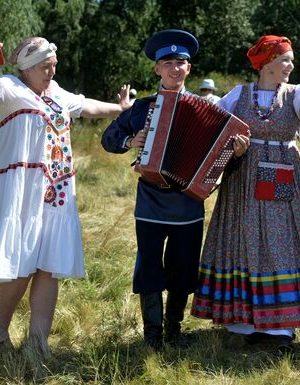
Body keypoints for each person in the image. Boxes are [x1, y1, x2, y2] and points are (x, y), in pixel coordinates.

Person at [190, 35, 300, 351]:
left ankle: (280, 326)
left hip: (280, 172)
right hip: (243, 176)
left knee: (278, 240)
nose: (290, 66)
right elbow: (211, 117)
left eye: (291, 60)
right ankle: (242, 320)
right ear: (268, 62)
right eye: (285, 60)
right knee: (242, 238)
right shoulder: (240, 94)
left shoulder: (296, 94)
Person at [0, 35, 133, 356]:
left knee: (47, 264)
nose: (51, 72)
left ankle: (37, 343)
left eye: (54, 66)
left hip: (56, 191)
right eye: (45, 67)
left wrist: (120, 108)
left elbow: (85, 106)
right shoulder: (11, 89)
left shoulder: (55, 93)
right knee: (23, 263)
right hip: (20, 190)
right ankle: (0, 330)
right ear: (27, 68)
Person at [101, 29, 250, 350]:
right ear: (157, 69)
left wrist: (236, 154)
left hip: (188, 202)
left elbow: (223, 165)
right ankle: (152, 335)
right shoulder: (141, 108)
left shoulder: (208, 113)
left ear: (189, 69)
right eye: (167, 63)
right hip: (151, 200)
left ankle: (174, 330)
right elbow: (108, 140)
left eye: (180, 63)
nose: (174, 68)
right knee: (150, 264)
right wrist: (131, 141)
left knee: (184, 267)